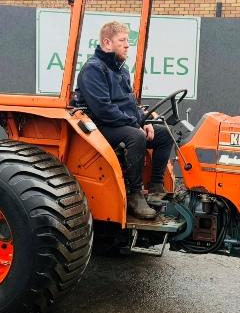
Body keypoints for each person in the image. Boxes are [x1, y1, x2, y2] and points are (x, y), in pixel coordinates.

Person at [74, 21, 174, 219]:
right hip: (100, 126)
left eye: (127, 40)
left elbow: (130, 103)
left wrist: (144, 121)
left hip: (119, 122)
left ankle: (156, 186)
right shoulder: (93, 69)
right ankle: (135, 195)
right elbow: (104, 109)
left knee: (164, 134)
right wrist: (136, 124)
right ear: (107, 43)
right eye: (122, 40)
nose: (127, 45)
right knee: (136, 136)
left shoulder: (122, 69)